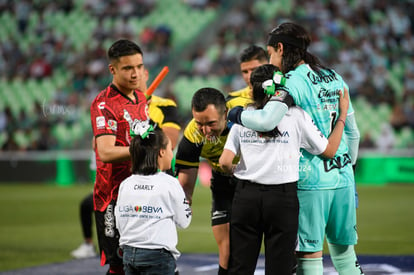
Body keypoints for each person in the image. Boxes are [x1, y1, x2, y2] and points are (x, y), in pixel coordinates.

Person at [227, 22, 363, 274]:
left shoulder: (291, 82)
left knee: (309, 255)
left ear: (280, 48)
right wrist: (349, 172)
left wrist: (235, 113)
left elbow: (267, 120)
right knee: (345, 255)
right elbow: (353, 133)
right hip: (343, 176)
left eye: (269, 53)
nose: (270, 59)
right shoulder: (334, 77)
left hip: (311, 180)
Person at [72, 67, 181, 260]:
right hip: (122, 182)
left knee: (152, 247)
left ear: (146, 75)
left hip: (153, 181)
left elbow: (169, 142)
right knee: (119, 253)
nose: (135, 76)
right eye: (130, 71)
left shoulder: (163, 105)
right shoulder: (116, 106)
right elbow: (100, 145)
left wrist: (144, 124)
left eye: (139, 71)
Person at [90, 39, 149, 275]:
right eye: (128, 68)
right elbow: (105, 152)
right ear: (112, 69)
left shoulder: (141, 98)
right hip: (112, 197)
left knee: (142, 259)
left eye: (138, 66)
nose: (135, 74)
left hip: (140, 191)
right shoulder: (104, 104)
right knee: (118, 264)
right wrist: (144, 149)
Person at [115, 119, 192, 275]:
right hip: (158, 256)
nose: (172, 154)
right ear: (162, 152)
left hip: (129, 254)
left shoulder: (126, 184)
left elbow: (119, 222)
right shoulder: (170, 183)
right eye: (171, 149)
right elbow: (184, 222)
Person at [175, 88, 234, 275]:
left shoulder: (245, 116)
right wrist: (184, 203)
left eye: (211, 123)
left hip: (253, 181)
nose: (206, 131)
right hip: (222, 181)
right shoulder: (193, 134)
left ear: (225, 114)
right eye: (199, 123)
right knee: (226, 243)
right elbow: (186, 184)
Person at [226, 45, 268, 110]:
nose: (249, 76)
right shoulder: (232, 100)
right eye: (245, 72)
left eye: (254, 69)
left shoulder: (284, 94)